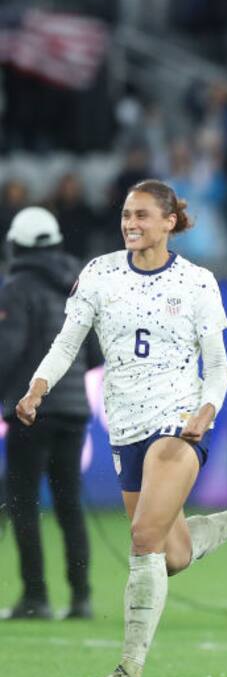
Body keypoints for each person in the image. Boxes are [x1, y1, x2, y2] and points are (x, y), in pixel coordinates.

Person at [16, 180, 227, 677]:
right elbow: (67, 342)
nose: (130, 223)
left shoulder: (197, 282)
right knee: (172, 553)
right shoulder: (100, 273)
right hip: (125, 428)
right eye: (125, 215)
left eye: (141, 215)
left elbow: (219, 363)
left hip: (177, 427)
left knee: (142, 538)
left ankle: (127, 673)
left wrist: (206, 409)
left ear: (169, 222)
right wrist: (38, 385)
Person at [1, 207, 102, 620]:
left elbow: (9, 349)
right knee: (69, 506)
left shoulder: (17, 288)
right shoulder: (77, 285)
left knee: (23, 502)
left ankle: (36, 597)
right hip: (75, 410)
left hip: (32, 410)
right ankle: (81, 597)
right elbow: (95, 353)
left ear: (16, 245)